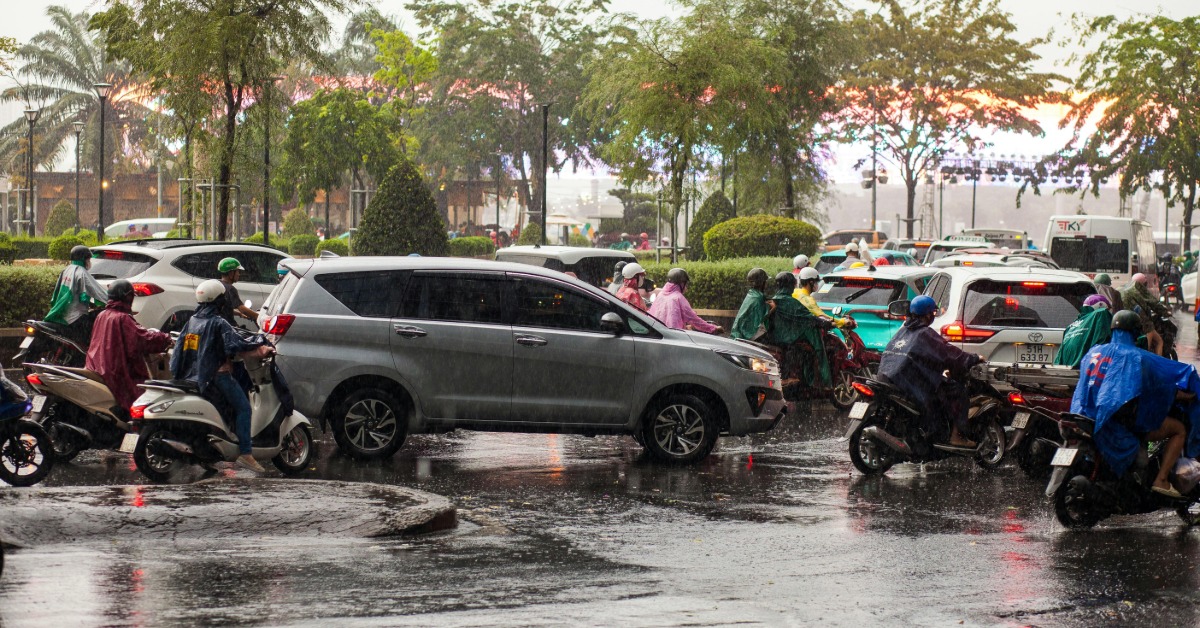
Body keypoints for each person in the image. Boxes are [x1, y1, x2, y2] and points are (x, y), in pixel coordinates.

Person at [1073, 310, 1200, 498]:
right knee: (1179, 429)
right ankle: (1162, 480)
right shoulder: (1136, 357)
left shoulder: (1094, 352)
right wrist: (1185, 393)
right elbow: (1163, 381)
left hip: (1085, 416)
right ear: (1136, 332)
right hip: (1120, 422)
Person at [170, 279, 273, 473]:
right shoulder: (218, 323)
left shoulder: (193, 321)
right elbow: (238, 344)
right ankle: (246, 454)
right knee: (244, 408)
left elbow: (180, 351)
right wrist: (262, 343)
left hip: (194, 377)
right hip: (218, 376)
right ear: (219, 301)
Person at [877, 295, 984, 447]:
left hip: (888, 376)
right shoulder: (924, 333)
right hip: (909, 381)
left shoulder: (904, 331)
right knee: (959, 393)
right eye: (933, 313)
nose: (933, 316)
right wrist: (972, 359)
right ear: (928, 314)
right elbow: (948, 353)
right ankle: (957, 436)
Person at [85, 280, 173, 412]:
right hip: (114, 372)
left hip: (97, 367)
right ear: (128, 297)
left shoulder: (102, 315)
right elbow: (142, 340)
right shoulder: (123, 318)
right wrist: (165, 338)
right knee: (141, 400)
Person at [766, 272, 829, 387]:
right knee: (811, 351)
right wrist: (823, 323)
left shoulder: (775, 300)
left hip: (775, 338)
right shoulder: (790, 302)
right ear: (792, 285)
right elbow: (807, 317)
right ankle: (811, 383)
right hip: (788, 339)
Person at [45, 245, 108, 342]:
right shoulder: (81, 272)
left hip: (63, 313)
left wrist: (91, 304)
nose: (89, 262)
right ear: (84, 259)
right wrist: (111, 299)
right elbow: (97, 291)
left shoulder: (67, 270)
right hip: (75, 317)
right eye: (88, 259)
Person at [648, 268, 722, 334]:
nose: (686, 288)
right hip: (674, 338)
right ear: (681, 283)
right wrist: (713, 328)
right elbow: (694, 319)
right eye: (685, 284)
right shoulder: (678, 298)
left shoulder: (661, 295)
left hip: (657, 335)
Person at [1054, 294, 1113, 367]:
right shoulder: (1101, 314)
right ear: (1101, 306)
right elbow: (1103, 343)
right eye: (1108, 309)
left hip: (1066, 370)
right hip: (1083, 369)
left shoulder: (1072, 326)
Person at [1121, 273, 1168, 356]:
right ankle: (1156, 365)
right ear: (1143, 283)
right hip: (1143, 324)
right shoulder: (1138, 289)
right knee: (1158, 342)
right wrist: (1165, 311)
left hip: (1124, 322)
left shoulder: (1123, 288)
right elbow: (1153, 303)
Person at [730, 268, 773, 341]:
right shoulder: (758, 298)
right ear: (762, 283)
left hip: (738, 333)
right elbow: (761, 319)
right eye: (765, 281)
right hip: (746, 336)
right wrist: (773, 308)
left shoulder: (751, 294)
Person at [217, 257, 259, 326]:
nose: (239, 274)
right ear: (231, 273)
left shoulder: (218, 285)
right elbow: (243, 309)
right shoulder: (230, 289)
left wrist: (239, 313)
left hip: (218, 326)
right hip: (227, 327)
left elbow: (223, 309)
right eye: (237, 271)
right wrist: (259, 317)